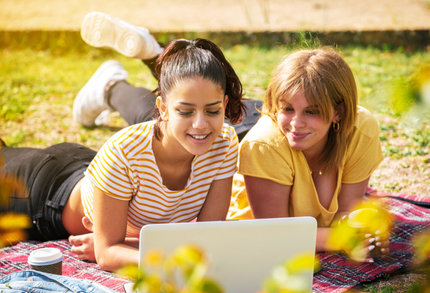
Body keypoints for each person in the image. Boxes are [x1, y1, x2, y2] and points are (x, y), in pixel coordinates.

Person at [1, 37, 246, 271]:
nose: (201, 124)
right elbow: (107, 254)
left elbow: (206, 236)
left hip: (86, 166)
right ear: (163, 108)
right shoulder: (125, 152)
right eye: (185, 112)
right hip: (44, 194)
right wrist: (167, 259)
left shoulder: (223, 144)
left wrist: (131, 246)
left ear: (223, 105)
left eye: (212, 110)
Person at [227, 48, 388, 260]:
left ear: (338, 112)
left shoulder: (361, 129)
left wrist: (358, 229)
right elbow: (275, 236)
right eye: (287, 109)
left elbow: (345, 215)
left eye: (311, 111)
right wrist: (344, 239)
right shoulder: (263, 145)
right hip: (252, 228)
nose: (296, 123)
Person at [73, 11, 262, 140]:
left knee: (190, 102)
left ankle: (157, 54)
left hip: (263, 117)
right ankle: (111, 87)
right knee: (168, 126)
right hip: (251, 132)